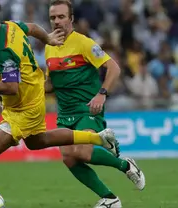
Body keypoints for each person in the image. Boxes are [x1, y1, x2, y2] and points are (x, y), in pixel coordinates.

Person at [0, 2, 121, 208]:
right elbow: (32, 27)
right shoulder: (11, 26)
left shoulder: (3, 50)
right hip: (31, 95)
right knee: (36, 141)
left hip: (23, 108)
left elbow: (11, 88)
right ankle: (98, 137)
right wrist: (48, 38)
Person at [45, 1, 146, 207]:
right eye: (53, 17)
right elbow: (49, 84)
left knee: (81, 152)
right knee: (69, 158)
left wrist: (102, 94)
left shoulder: (84, 43)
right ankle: (110, 199)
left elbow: (114, 68)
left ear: (71, 19)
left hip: (87, 108)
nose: (57, 21)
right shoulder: (49, 47)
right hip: (65, 112)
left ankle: (125, 165)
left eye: (61, 16)